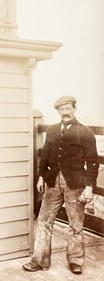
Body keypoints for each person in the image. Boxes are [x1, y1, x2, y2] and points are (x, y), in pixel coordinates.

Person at [23, 96, 99, 275]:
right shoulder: (52, 131)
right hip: (52, 182)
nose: (65, 112)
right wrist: (41, 177)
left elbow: (93, 162)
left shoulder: (85, 132)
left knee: (76, 224)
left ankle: (75, 260)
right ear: (57, 111)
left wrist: (89, 187)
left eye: (68, 108)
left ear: (74, 109)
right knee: (43, 221)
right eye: (61, 109)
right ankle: (40, 260)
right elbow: (45, 155)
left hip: (75, 184)